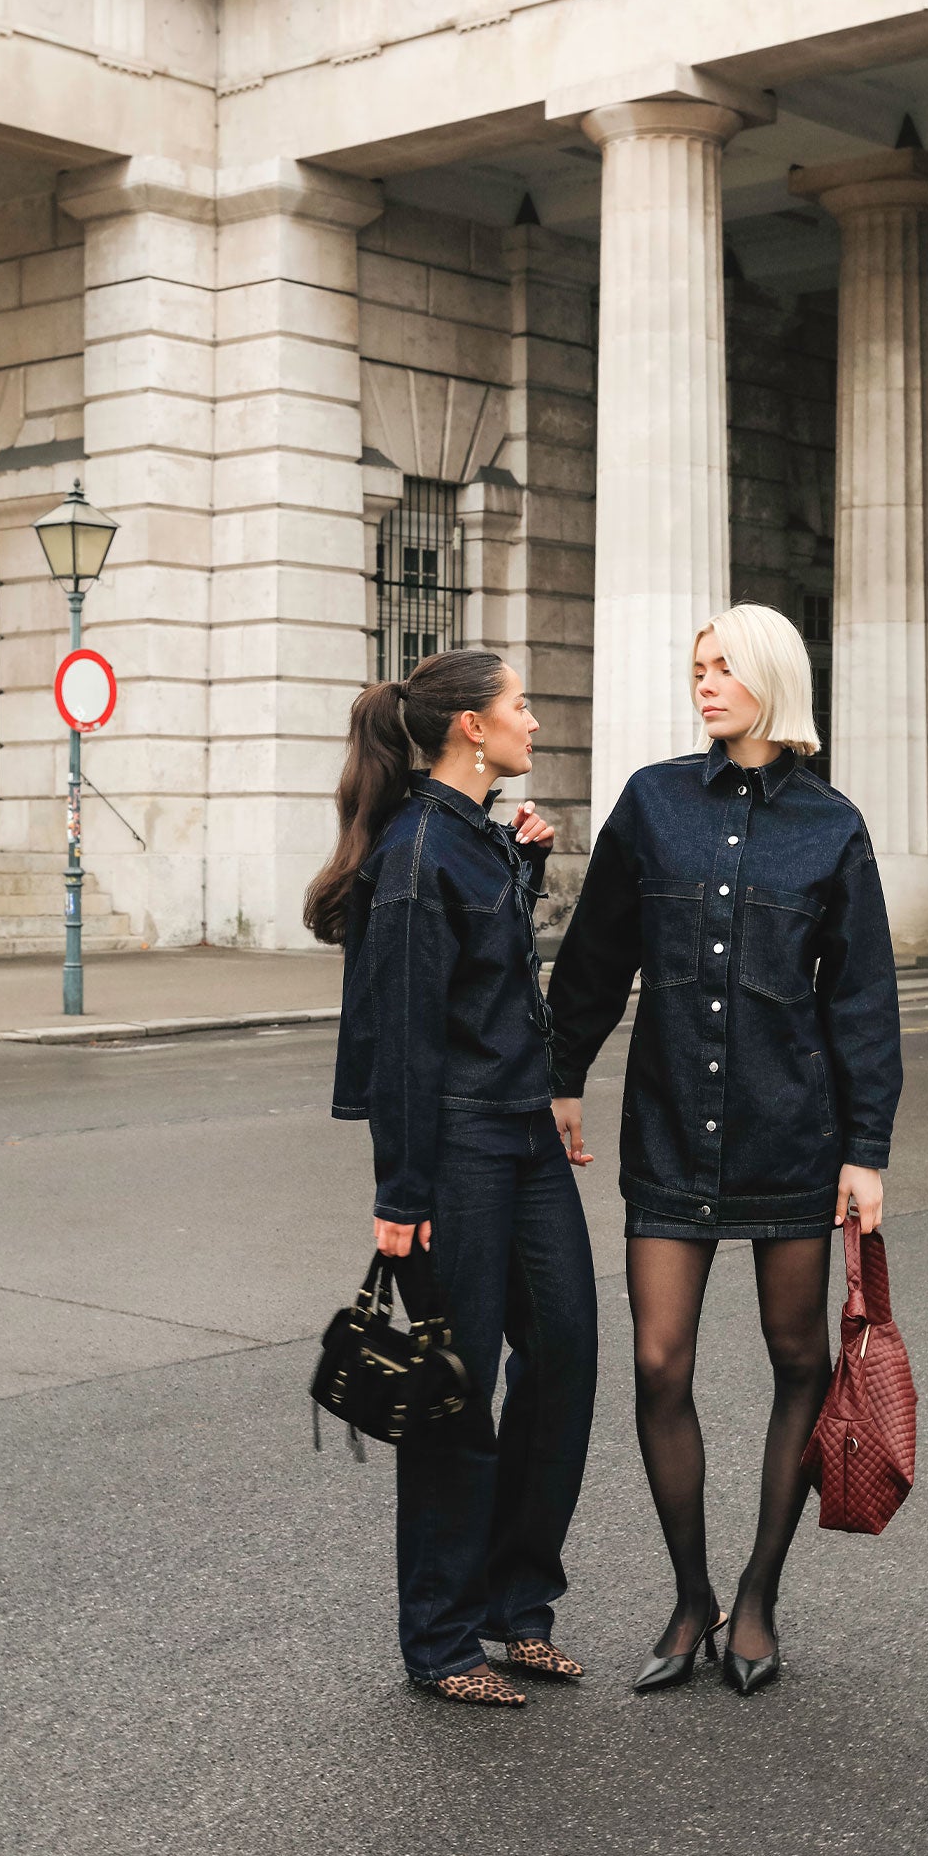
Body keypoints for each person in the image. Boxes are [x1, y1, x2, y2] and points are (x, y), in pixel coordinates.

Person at [547, 601, 902, 1696]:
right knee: (660, 1363)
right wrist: (564, 1071)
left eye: (722, 668)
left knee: (803, 1359)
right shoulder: (654, 802)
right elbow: (598, 949)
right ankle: (691, 1591)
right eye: (697, 666)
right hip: (667, 1126)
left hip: (791, 1134)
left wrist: (866, 1147)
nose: (703, 684)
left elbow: (861, 1001)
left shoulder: (832, 827)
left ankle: (757, 1593)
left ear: (769, 680)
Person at [307, 648, 598, 1708]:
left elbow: (486, 985)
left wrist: (521, 869)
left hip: (524, 1137)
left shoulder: (475, 839)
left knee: (565, 1351)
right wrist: (401, 1195)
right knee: (456, 1393)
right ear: (472, 728)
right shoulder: (419, 851)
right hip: (460, 1150)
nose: (534, 718)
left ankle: (517, 1604)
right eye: (520, 703)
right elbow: (405, 1040)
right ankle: (441, 1636)